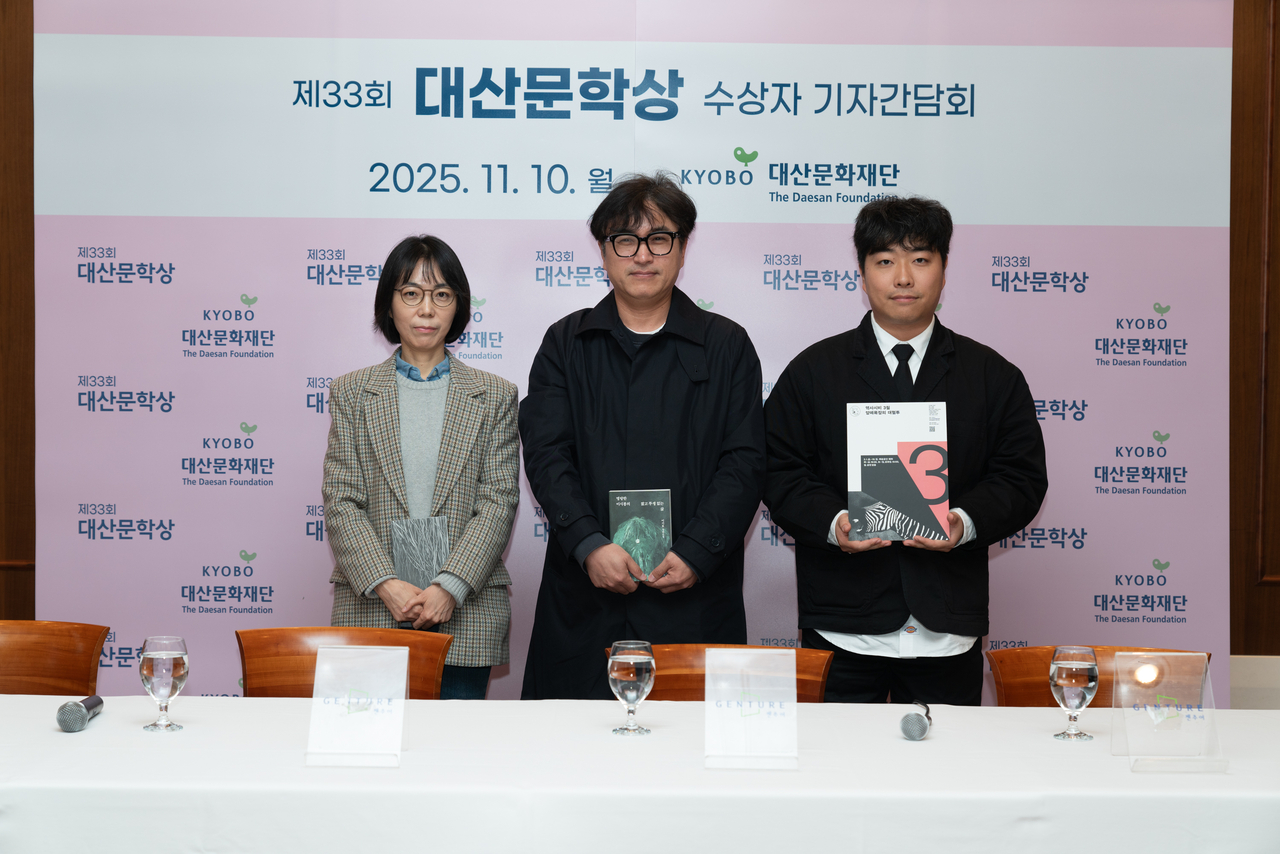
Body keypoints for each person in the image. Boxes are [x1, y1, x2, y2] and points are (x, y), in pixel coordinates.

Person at [763, 197, 1048, 705]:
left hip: (947, 629)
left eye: (919, 259)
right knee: (840, 758)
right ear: (861, 272)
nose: (903, 277)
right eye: (884, 261)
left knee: (950, 758)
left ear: (943, 268)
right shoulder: (813, 371)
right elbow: (778, 470)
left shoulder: (991, 375)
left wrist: (963, 522)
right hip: (844, 627)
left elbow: (1020, 477)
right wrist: (835, 522)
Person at [519, 172, 767, 700]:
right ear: (604, 252)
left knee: (692, 739)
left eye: (659, 239)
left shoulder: (727, 346)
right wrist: (589, 544)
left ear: (683, 248)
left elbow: (744, 462)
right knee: (573, 741)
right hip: (586, 595)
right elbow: (546, 454)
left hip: (693, 594)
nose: (643, 255)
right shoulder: (566, 343)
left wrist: (697, 552)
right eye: (625, 240)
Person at [323, 234, 519, 700]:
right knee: (369, 742)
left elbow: (498, 502)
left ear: (458, 306)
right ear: (389, 305)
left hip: (466, 610)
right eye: (411, 293)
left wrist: (449, 587)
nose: (426, 310)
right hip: (372, 606)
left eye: (442, 295)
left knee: (453, 744)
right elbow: (341, 499)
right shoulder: (351, 392)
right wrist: (385, 584)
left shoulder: (495, 395)